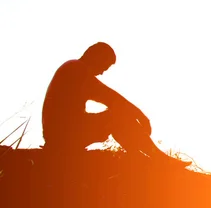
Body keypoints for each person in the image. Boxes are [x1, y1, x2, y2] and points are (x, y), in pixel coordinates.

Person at [41, 42, 190, 167]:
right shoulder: (76, 69)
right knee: (117, 115)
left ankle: (139, 157)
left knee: (116, 114)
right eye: (104, 66)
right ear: (96, 56)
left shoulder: (73, 68)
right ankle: (158, 158)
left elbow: (110, 98)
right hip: (64, 135)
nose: (102, 73)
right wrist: (141, 116)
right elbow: (112, 98)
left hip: (63, 133)